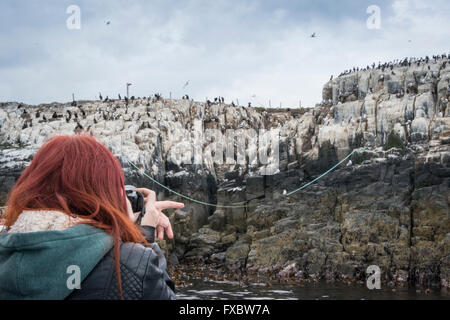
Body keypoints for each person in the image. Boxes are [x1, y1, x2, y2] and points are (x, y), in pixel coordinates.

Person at [0, 135, 184, 300]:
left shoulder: (6, 250)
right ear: (103, 194)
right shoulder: (131, 263)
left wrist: (123, 225)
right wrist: (143, 236)